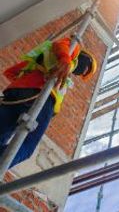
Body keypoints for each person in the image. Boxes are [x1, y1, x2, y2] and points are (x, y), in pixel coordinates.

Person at [0, 37, 97, 169]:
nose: (82, 72)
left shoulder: (41, 59)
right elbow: (62, 45)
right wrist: (65, 59)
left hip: (14, 95)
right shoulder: (73, 51)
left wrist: (25, 82)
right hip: (40, 97)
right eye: (86, 69)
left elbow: (10, 72)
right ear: (85, 58)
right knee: (27, 146)